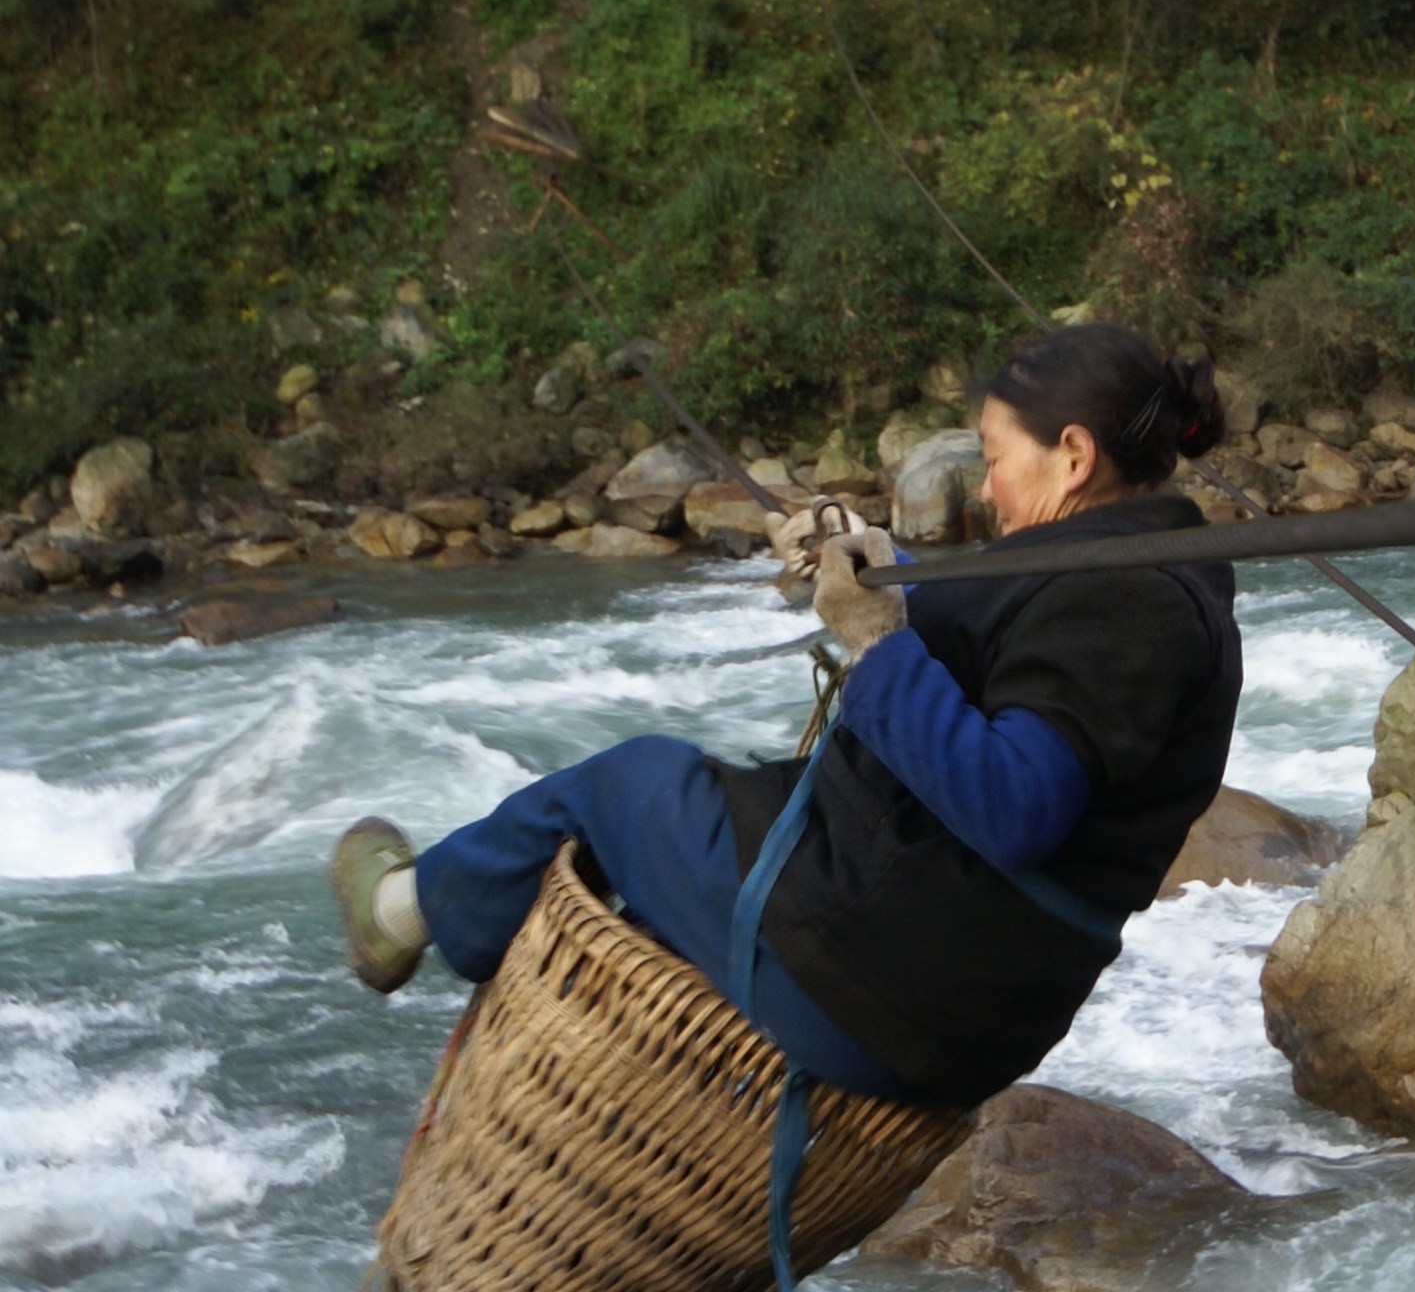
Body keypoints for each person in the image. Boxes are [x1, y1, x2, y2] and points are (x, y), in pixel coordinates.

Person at [328, 325, 1242, 1113]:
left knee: (625, 785)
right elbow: (1005, 637)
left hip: (891, 986)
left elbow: (1013, 806)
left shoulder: (1132, 604)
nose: (990, 490)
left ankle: (401, 917)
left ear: (1074, 456)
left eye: (997, 459)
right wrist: (875, 559)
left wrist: (877, 641)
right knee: (700, 795)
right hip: (938, 978)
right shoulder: (1118, 567)